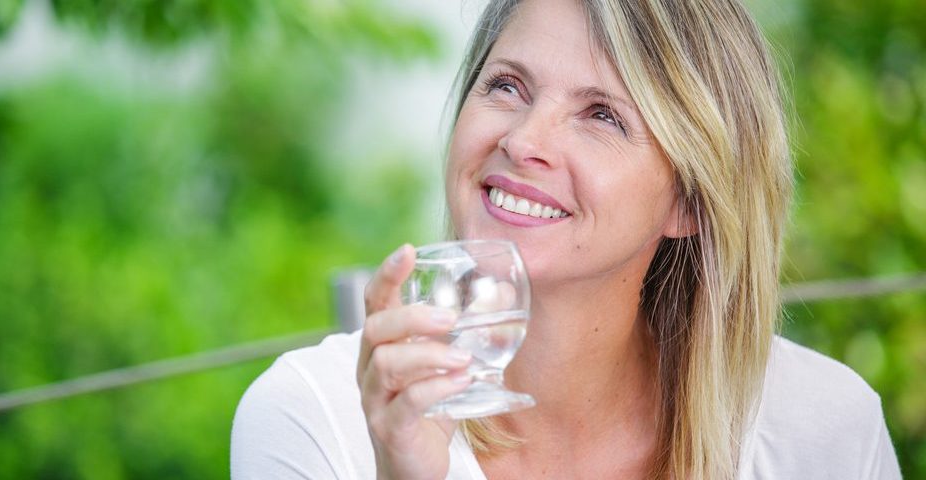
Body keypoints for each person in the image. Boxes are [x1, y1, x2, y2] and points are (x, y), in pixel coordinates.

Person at [230, 0, 903, 478]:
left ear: (692, 201)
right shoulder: (314, 415)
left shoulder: (825, 428)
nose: (522, 142)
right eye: (506, 86)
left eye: (602, 115)